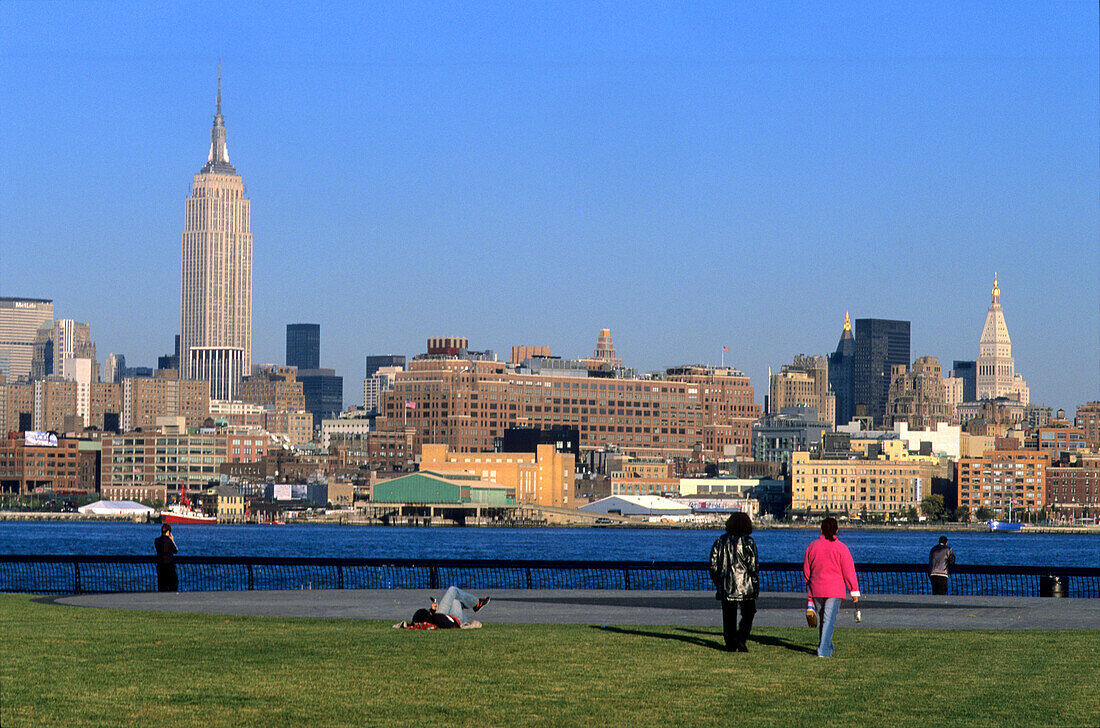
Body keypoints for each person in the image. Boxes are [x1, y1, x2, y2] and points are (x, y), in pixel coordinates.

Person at [803, 517, 860, 658]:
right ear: (837, 531)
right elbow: (849, 571)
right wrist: (854, 591)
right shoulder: (842, 548)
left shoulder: (812, 546)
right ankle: (823, 651)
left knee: (823, 619)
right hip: (834, 590)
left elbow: (806, 570)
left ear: (821, 529)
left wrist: (809, 584)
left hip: (817, 589)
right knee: (828, 620)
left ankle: (827, 646)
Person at [708, 512, 759, 652]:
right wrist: (755, 585)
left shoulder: (720, 541)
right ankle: (741, 638)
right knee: (748, 614)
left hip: (726, 585)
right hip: (746, 585)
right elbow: (753, 566)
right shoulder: (749, 542)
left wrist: (720, 581)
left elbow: (713, 565)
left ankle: (730, 643)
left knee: (728, 616)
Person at [395, 586, 491, 629]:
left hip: (440, 615)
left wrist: (432, 610)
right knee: (453, 592)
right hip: (449, 618)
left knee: (455, 598)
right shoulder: (431, 623)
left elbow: (425, 619)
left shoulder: (421, 622)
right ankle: (476, 603)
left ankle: (474, 605)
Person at [153, 523, 178, 592]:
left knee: (161, 585)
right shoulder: (169, 541)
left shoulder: (156, 540)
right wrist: (172, 540)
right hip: (169, 565)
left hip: (160, 565)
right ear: (168, 532)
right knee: (172, 585)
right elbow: (175, 550)